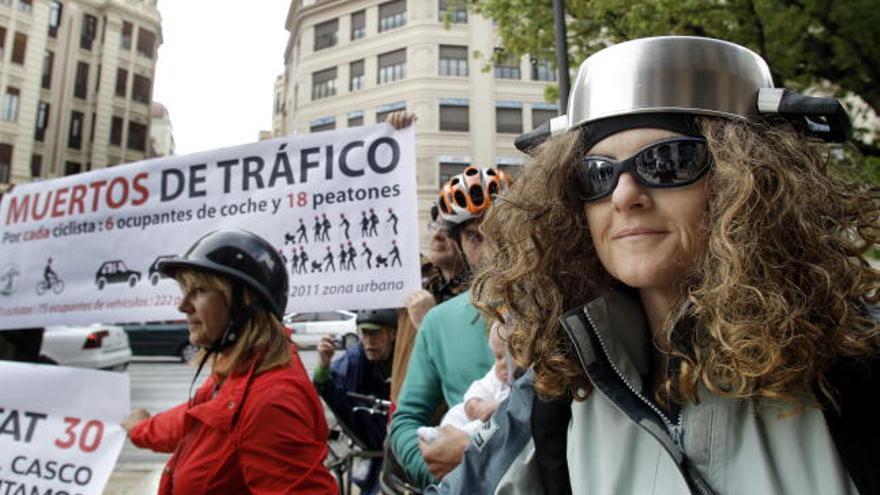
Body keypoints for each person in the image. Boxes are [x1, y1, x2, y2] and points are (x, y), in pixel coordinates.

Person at [437, 36, 880, 494]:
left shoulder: (853, 366)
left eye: (667, 162)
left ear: (750, 181)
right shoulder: (562, 385)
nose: (625, 196)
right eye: (597, 173)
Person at [122, 229, 336, 494]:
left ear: (244, 301)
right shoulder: (241, 371)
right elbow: (192, 420)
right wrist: (142, 429)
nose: (183, 306)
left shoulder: (271, 400)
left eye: (198, 291)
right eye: (185, 291)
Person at [389, 165, 510, 489]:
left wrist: (480, 457)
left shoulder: (553, 309)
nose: (492, 250)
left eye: (501, 232)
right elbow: (404, 420)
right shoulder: (438, 323)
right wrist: (438, 467)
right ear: (459, 243)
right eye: (475, 237)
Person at [313, 308, 398, 495]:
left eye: (375, 334)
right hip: (370, 445)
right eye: (364, 334)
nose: (369, 342)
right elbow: (331, 386)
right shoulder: (355, 359)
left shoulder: (405, 355)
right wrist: (323, 366)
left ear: (392, 334)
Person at [418, 321, 511, 440]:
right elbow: (482, 386)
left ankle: (452, 438)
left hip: (497, 428)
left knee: (484, 426)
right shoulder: (496, 374)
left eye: (511, 357)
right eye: (499, 357)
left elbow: (517, 403)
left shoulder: (524, 382)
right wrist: (474, 403)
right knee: (457, 411)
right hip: (482, 411)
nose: (503, 364)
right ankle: (442, 432)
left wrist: (494, 407)